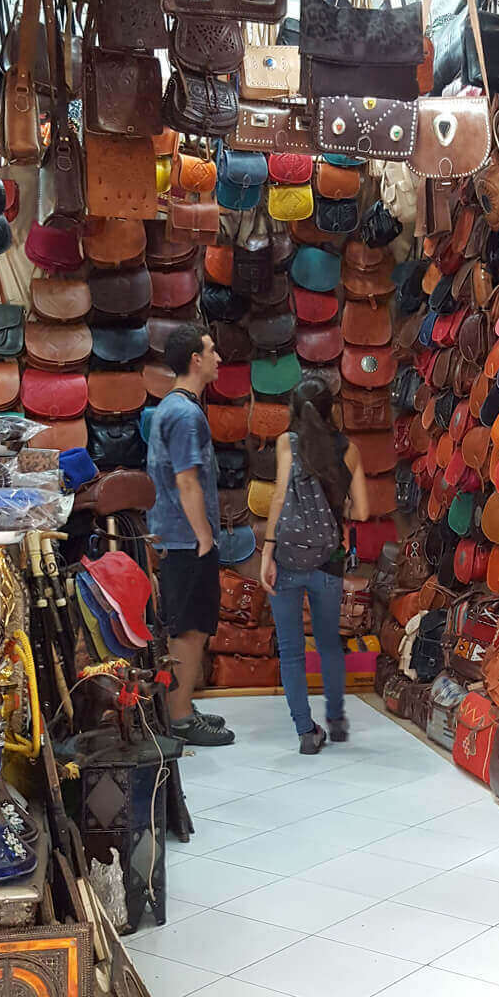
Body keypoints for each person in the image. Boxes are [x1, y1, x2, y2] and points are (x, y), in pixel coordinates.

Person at [260, 376, 369, 754]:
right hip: (328, 561)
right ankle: (336, 720)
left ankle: (306, 732)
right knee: (328, 646)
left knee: (290, 649)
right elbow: (365, 510)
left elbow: (277, 499)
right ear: (331, 410)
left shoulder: (285, 445)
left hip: (286, 557)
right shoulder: (348, 449)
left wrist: (267, 553)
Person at [147, 323, 234, 747]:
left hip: (176, 534)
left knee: (189, 624)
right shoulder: (184, 413)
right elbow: (186, 481)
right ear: (195, 360)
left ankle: (179, 704)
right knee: (191, 628)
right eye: (212, 351)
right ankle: (179, 716)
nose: (219, 358)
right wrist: (204, 537)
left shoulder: (173, 407)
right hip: (185, 538)